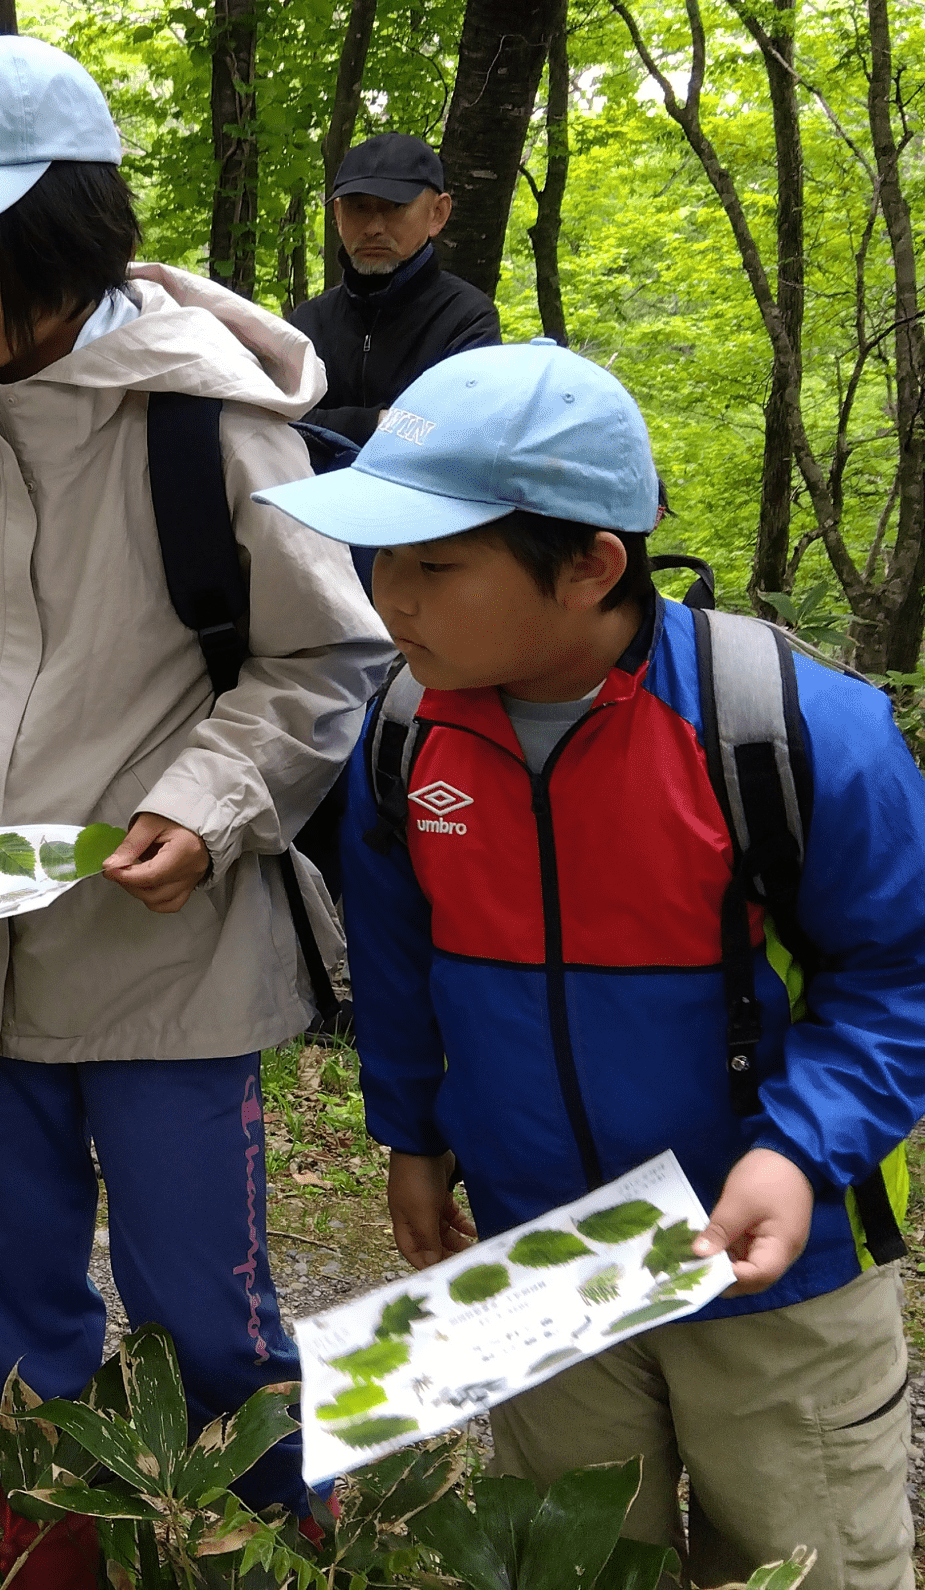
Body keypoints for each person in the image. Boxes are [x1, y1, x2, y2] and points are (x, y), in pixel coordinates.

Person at [0, 33, 394, 1578]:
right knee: (15, 1311)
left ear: (72, 232)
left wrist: (210, 805)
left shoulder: (209, 418)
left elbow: (323, 656)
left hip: (170, 959)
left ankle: (270, 1545)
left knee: (206, 1309)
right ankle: (54, 1549)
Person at [255, 340, 925, 1589]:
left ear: (589, 565)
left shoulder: (783, 730)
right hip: (542, 1258)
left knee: (806, 1566)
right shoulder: (407, 734)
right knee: (568, 1567)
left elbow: (899, 979)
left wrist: (796, 1149)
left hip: (770, 1269)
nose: (386, 596)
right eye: (378, 557)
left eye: (432, 564)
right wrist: (410, 1135)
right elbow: (398, 963)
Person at [286, 132, 499, 456]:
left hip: (424, 503)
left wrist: (330, 426)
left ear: (437, 214)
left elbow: (456, 439)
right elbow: (275, 421)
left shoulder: (466, 318)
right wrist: (376, 422)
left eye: (395, 206)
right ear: (338, 215)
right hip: (303, 502)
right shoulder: (307, 321)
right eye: (359, 207)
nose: (373, 226)